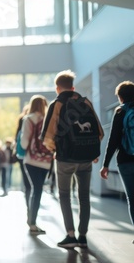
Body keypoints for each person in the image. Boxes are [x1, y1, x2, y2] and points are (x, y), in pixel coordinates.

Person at [41, 70, 103, 249]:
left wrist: (55, 149)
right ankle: (83, 236)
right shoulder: (85, 102)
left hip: (65, 158)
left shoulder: (57, 103)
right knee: (84, 196)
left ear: (57, 88)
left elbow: (48, 137)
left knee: (65, 195)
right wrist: (91, 150)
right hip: (86, 159)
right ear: (73, 87)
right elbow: (99, 131)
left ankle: (70, 235)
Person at [100, 81, 134, 246]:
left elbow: (113, 140)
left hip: (126, 160)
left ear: (120, 97)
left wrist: (106, 164)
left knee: (133, 196)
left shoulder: (120, 112)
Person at [20, 95, 52, 234]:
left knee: (35, 189)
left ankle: (32, 222)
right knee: (39, 189)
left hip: (31, 160)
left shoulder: (28, 118)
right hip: (46, 161)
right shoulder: (49, 119)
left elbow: (24, 142)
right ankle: (32, 221)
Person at [15, 104, 31, 214]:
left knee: (26, 181)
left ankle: (28, 206)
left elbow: (17, 135)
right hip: (31, 153)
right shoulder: (30, 119)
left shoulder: (21, 119)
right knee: (32, 182)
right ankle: (30, 206)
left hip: (21, 154)